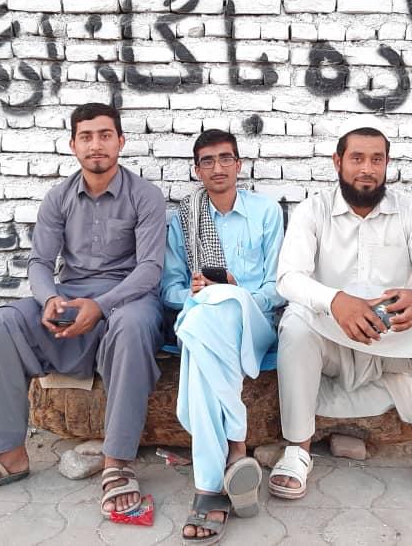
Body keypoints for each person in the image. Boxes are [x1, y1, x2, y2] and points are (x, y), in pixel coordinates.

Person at [0, 102, 167, 517]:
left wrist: (100, 306)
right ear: (72, 145)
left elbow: (150, 269)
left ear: (121, 142)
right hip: (71, 296)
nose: (96, 145)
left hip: (128, 301)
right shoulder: (58, 198)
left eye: (105, 135)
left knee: (133, 325)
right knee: (3, 322)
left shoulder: (146, 196)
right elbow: (40, 263)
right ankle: (8, 454)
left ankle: (117, 460)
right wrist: (49, 299)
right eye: (86, 137)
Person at [269, 114, 412, 500]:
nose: (367, 169)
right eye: (357, 158)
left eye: (377, 159)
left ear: (386, 164)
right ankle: (297, 450)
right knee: (295, 323)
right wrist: (335, 301)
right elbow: (289, 277)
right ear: (338, 162)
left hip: (392, 339)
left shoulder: (408, 212)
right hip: (333, 337)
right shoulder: (313, 210)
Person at [161, 129, 285, 544]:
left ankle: (216, 479)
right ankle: (227, 461)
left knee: (220, 306)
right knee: (205, 316)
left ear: (239, 164)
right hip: (204, 322)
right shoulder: (183, 219)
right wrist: (195, 292)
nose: (218, 167)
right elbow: (169, 290)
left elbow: (278, 288)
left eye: (225, 158)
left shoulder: (266, 212)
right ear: (197, 170)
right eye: (208, 161)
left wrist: (235, 291)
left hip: (254, 323)